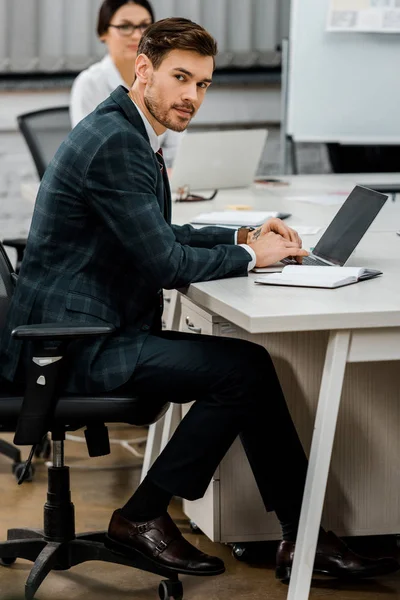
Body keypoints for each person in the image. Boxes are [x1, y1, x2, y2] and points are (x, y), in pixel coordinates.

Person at [1, 17, 398, 584]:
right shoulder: (117, 142)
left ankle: (303, 538)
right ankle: (145, 516)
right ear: (144, 69)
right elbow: (165, 264)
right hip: (70, 343)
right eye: (181, 78)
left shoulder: (127, 128)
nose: (192, 96)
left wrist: (241, 239)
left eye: (204, 84)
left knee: (248, 367)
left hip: (88, 325)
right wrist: (252, 259)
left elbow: (157, 235)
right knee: (244, 371)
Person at [70, 0, 182, 169]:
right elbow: (90, 155)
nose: (137, 35)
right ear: (103, 32)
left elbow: (176, 151)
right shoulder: (89, 84)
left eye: (145, 26)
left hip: (160, 185)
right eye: (124, 27)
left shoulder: (165, 80)